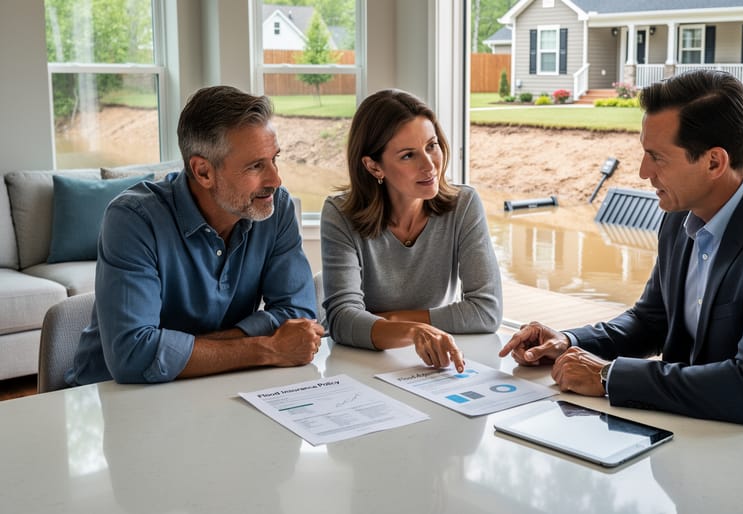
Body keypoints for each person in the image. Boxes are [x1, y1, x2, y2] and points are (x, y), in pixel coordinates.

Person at [499, 70, 743, 431]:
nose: (643, 172)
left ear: (714, 162)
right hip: (695, 428)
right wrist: (569, 342)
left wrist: (608, 376)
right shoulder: (680, 213)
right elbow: (651, 321)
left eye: (657, 157)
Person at [66, 85, 324, 385]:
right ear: (203, 172)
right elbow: (132, 356)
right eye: (256, 166)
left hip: (215, 387)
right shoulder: (133, 220)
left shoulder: (275, 207)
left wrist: (188, 349)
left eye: (274, 159)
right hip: (113, 396)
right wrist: (268, 348)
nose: (275, 180)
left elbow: (299, 316)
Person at [321, 89, 502, 373]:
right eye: (408, 155)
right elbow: (342, 321)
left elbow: (486, 312)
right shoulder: (340, 214)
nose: (429, 165)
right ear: (374, 167)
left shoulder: (464, 204)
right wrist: (414, 331)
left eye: (432, 145)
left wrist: (388, 320)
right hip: (359, 364)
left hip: (432, 363)